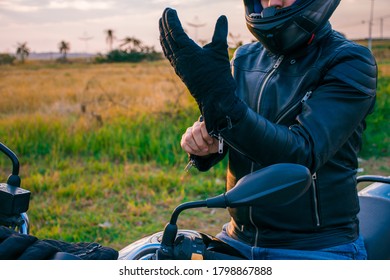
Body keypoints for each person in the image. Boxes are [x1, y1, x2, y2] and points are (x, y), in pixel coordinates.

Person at [159, 0, 377, 260]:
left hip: (317, 248)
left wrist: (224, 107)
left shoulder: (349, 61)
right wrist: (205, 145)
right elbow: (227, 129)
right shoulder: (245, 58)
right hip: (237, 237)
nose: (273, 3)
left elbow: (301, 154)